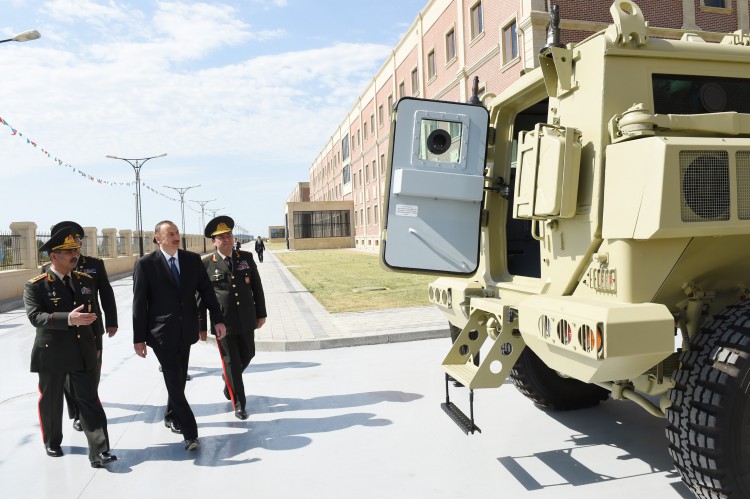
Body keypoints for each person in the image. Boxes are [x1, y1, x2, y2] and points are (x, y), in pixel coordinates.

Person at [24, 228, 117, 468]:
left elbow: (93, 314)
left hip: (82, 350)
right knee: (52, 400)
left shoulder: (84, 281)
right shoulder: (36, 285)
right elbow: (36, 317)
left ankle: (100, 449)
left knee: (89, 399)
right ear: (54, 256)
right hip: (52, 351)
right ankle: (52, 441)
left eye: (76, 250)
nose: (75, 255)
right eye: (68, 252)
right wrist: (67, 319)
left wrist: (97, 344)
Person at [132, 220, 227, 451]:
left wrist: (218, 319)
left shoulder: (191, 260)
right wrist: (139, 338)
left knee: (178, 377)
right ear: (158, 238)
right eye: (170, 234)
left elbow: (206, 292)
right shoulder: (145, 264)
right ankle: (190, 433)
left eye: (177, 233)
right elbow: (139, 303)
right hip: (160, 334)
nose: (176, 237)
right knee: (175, 381)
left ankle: (170, 414)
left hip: (185, 333)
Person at [44, 221, 118, 433]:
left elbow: (106, 293)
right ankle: (77, 413)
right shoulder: (47, 269)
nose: (73, 245)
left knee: (92, 370)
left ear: (80, 241)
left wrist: (112, 321)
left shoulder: (94, 264)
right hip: (64, 332)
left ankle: (87, 407)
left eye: (75, 240)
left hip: (90, 326)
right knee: (68, 376)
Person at [199, 216, 267, 420]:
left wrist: (261, 313)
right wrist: (201, 326)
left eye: (229, 235)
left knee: (249, 354)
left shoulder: (245, 257)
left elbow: (257, 287)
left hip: (247, 319)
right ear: (214, 241)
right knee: (232, 362)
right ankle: (239, 403)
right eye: (222, 237)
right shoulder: (206, 265)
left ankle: (227, 377)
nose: (227, 239)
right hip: (223, 324)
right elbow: (200, 298)